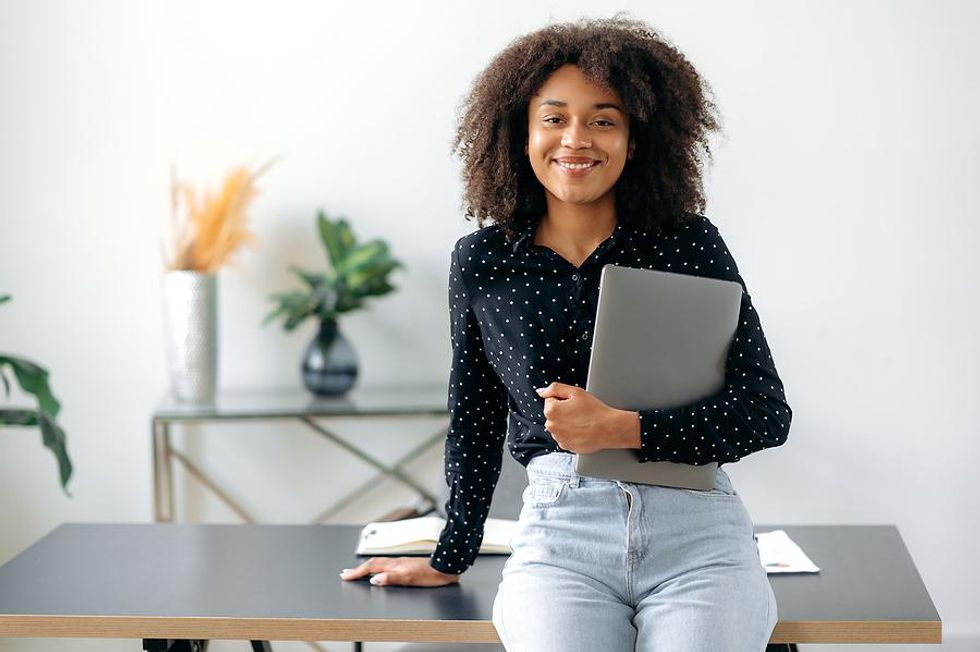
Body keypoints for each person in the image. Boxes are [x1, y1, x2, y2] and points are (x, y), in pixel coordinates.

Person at [340, 15, 792, 651]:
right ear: (521, 134)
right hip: (562, 535)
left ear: (635, 140)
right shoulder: (482, 260)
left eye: (603, 119)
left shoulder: (689, 244)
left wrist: (624, 428)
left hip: (700, 536)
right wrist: (450, 555)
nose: (576, 139)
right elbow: (474, 415)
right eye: (554, 118)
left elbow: (766, 413)